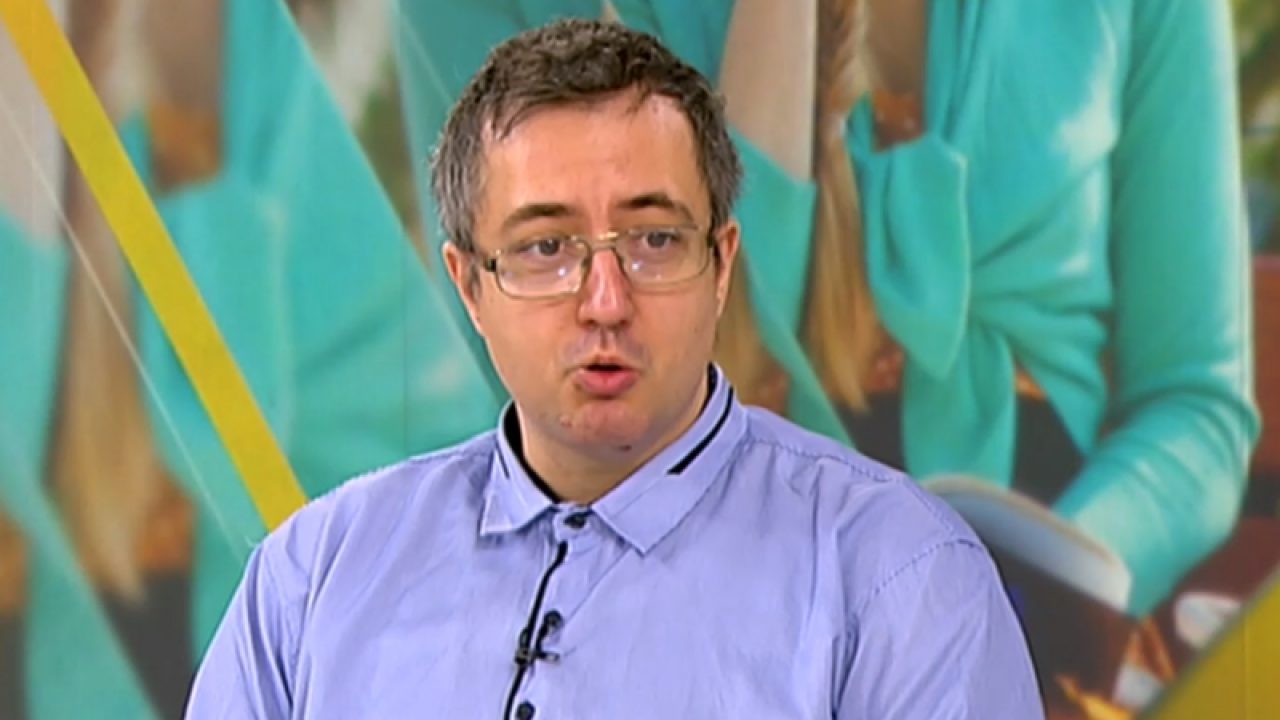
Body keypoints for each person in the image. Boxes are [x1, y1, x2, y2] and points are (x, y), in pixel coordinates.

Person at [186, 19, 1040, 719]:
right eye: (545, 248)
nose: (604, 300)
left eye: (654, 240)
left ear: (721, 265)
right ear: (469, 286)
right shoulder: (313, 579)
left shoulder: (899, 578)